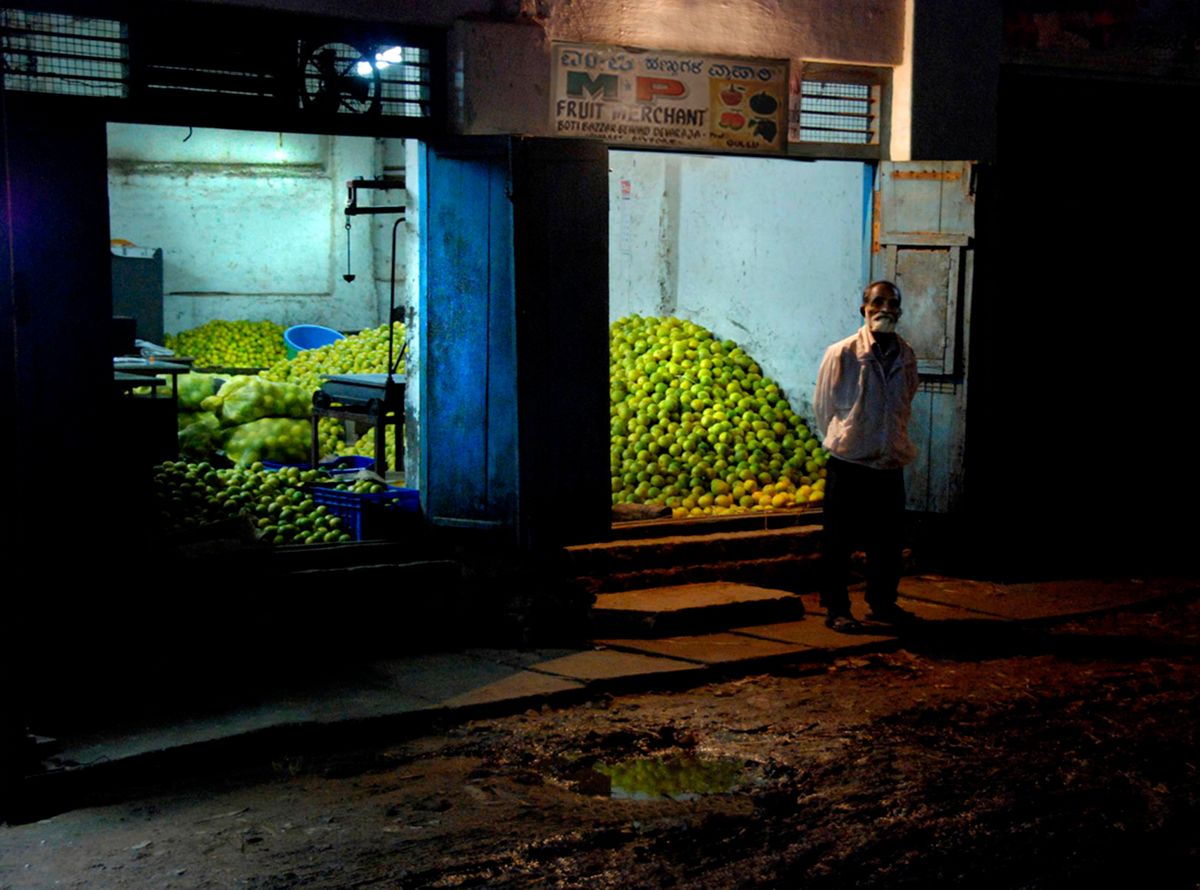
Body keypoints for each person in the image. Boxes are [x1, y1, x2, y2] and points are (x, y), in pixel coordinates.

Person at [813, 280, 920, 631]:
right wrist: (849, 436)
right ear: (864, 309)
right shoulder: (842, 353)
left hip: (889, 460)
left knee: (888, 542)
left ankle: (883, 603)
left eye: (892, 303)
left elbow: (906, 400)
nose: (885, 309)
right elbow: (823, 409)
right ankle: (837, 608)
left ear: (899, 311)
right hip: (850, 460)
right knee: (838, 540)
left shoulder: (906, 355)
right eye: (878, 302)